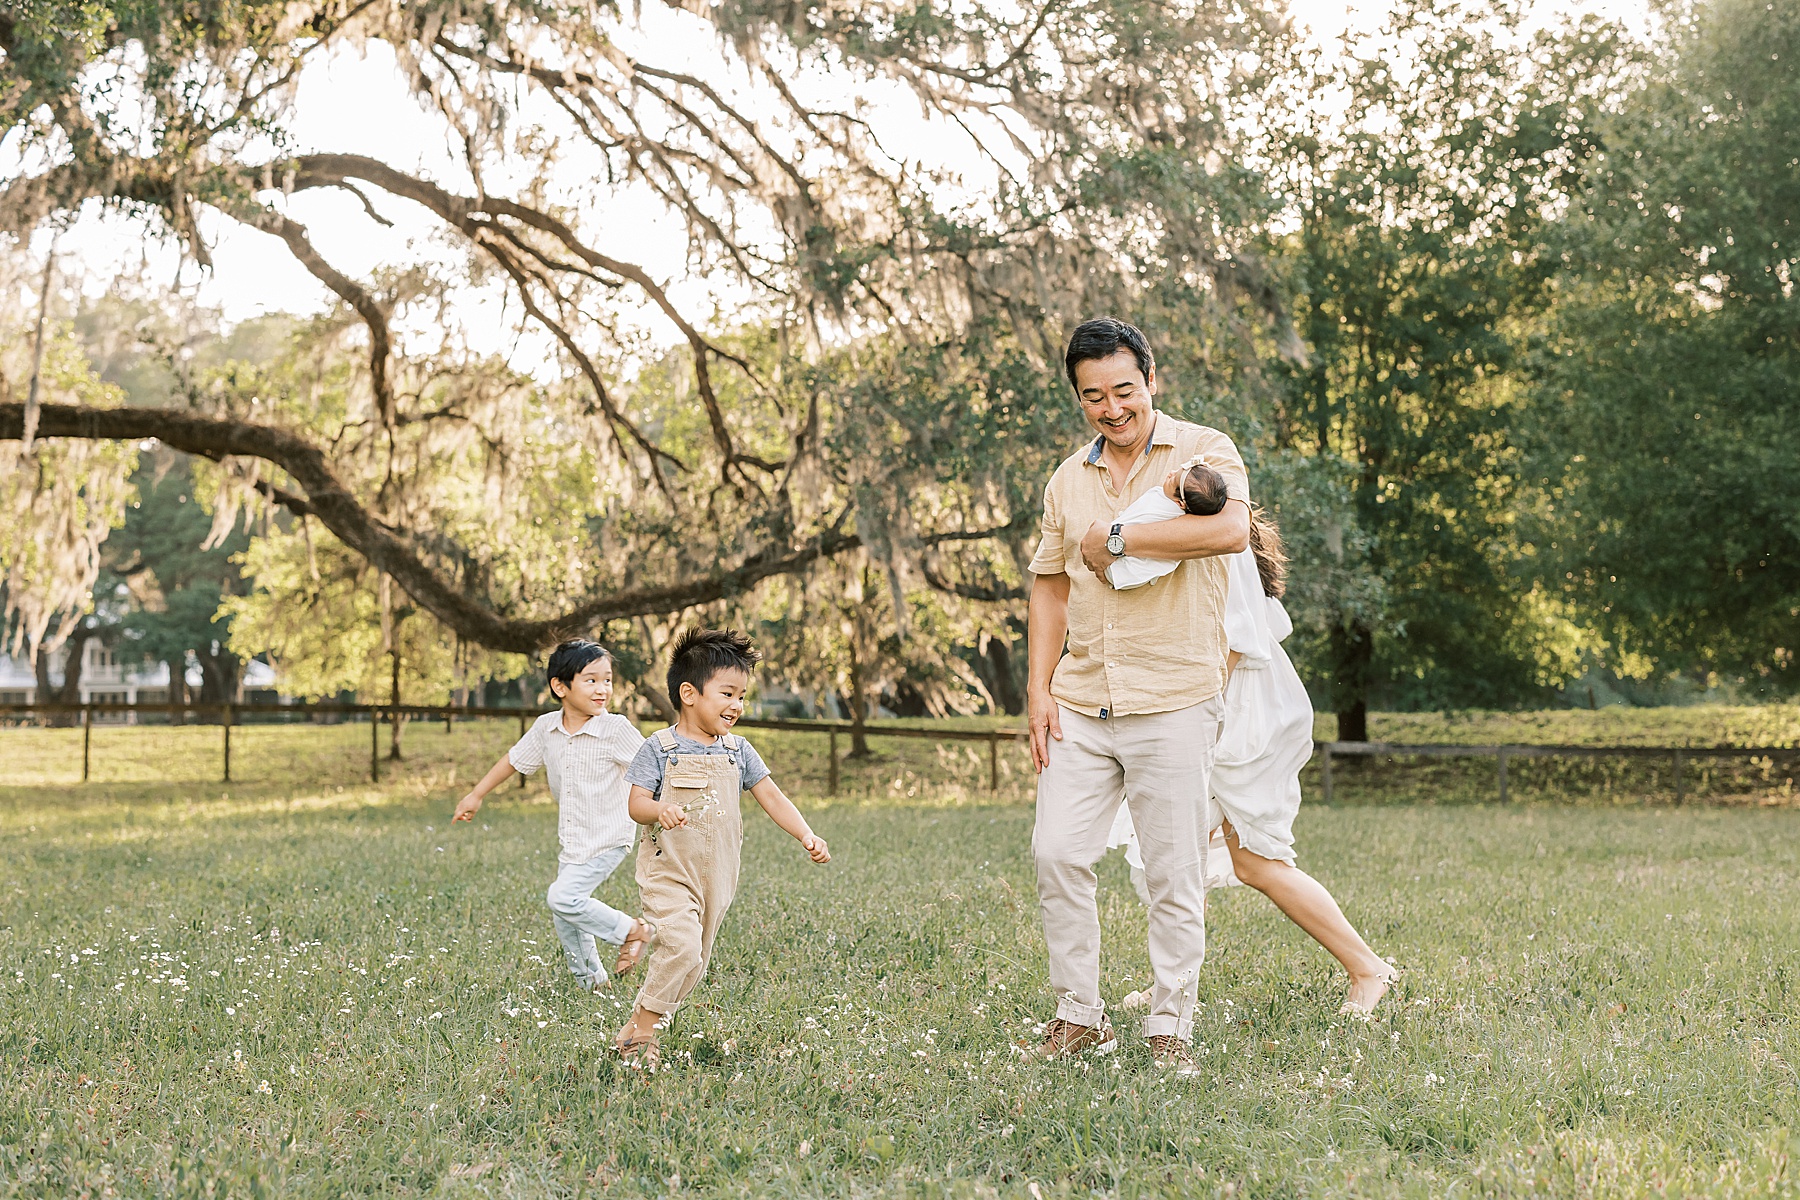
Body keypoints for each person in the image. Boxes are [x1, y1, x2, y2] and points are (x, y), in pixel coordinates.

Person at [1024, 316, 1251, 1077]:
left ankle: (1170, 1026)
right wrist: (1037, 691)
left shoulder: (1204, 450)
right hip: (1083, 697)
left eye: (1124, 390)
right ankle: (1080, 1016)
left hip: (1175, 694)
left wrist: (1118, 539)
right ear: (1079, 399)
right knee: (1056, 852)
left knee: (1173, 871)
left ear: (1152, 380)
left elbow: (1230, 532)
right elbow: (1050, 584)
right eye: (1094, 396)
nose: (1112, 408)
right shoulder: (1067, 479)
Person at [1108, 514, 1398, 1014]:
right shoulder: (1198, 538)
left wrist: (1199, 716)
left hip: (1237, 713)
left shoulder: (1224, 543)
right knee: (1187, 855)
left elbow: (1237, 643)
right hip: (1225, 704)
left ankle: (1369, 968)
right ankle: (1173, 987)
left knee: (1255, 861)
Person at [612, 627, 831, 1070]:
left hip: (719, 875)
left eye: (742, 696)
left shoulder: (738, 750)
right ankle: (645, 1037)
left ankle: (636, 1023)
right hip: (669, 870)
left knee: (695, 963)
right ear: (689, 693)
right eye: (727, 693)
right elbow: (635, 803)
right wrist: (660, 811)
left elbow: (772, 795)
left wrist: (805, 834)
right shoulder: (659, 748)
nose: (737, 705)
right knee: (682, 948)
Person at [453, 639, 656, 992]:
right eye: (591, 680)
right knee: (566, 915)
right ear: (560, 686)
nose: (602, 689)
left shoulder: (616, 729)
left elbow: (651, 768)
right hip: (574, 838)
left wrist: (664, 809)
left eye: (607, 680)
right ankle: (592, 984)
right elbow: (514, 760)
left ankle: (632, 930)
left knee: (563, 898)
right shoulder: (547, 727)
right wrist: (476, 794)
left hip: (609, 835)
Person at [1106, 458, 1230, 591]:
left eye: (1173, 479)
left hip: (1121, 567)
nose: (1171, 473)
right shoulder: (1176, 504)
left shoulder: (1162, 509)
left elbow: (1133, 520)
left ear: (1180, 504)